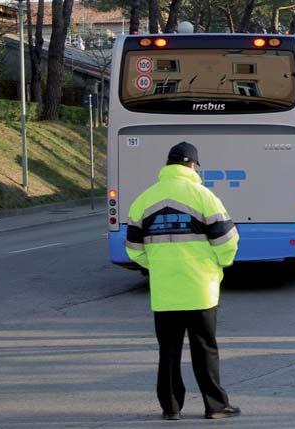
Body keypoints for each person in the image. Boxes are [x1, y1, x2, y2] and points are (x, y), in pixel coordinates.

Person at [126, 142, 241, 420]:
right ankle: (215, 406)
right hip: (201, 291)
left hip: (165, 293)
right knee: (205, 349)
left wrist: (158, 266)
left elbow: (133, 248)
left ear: (168, 165)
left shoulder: (144, 200)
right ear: (192, 166)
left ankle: (171, 408)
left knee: (168, 351)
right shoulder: (204, 197)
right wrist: (219, 265)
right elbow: (227, 241)